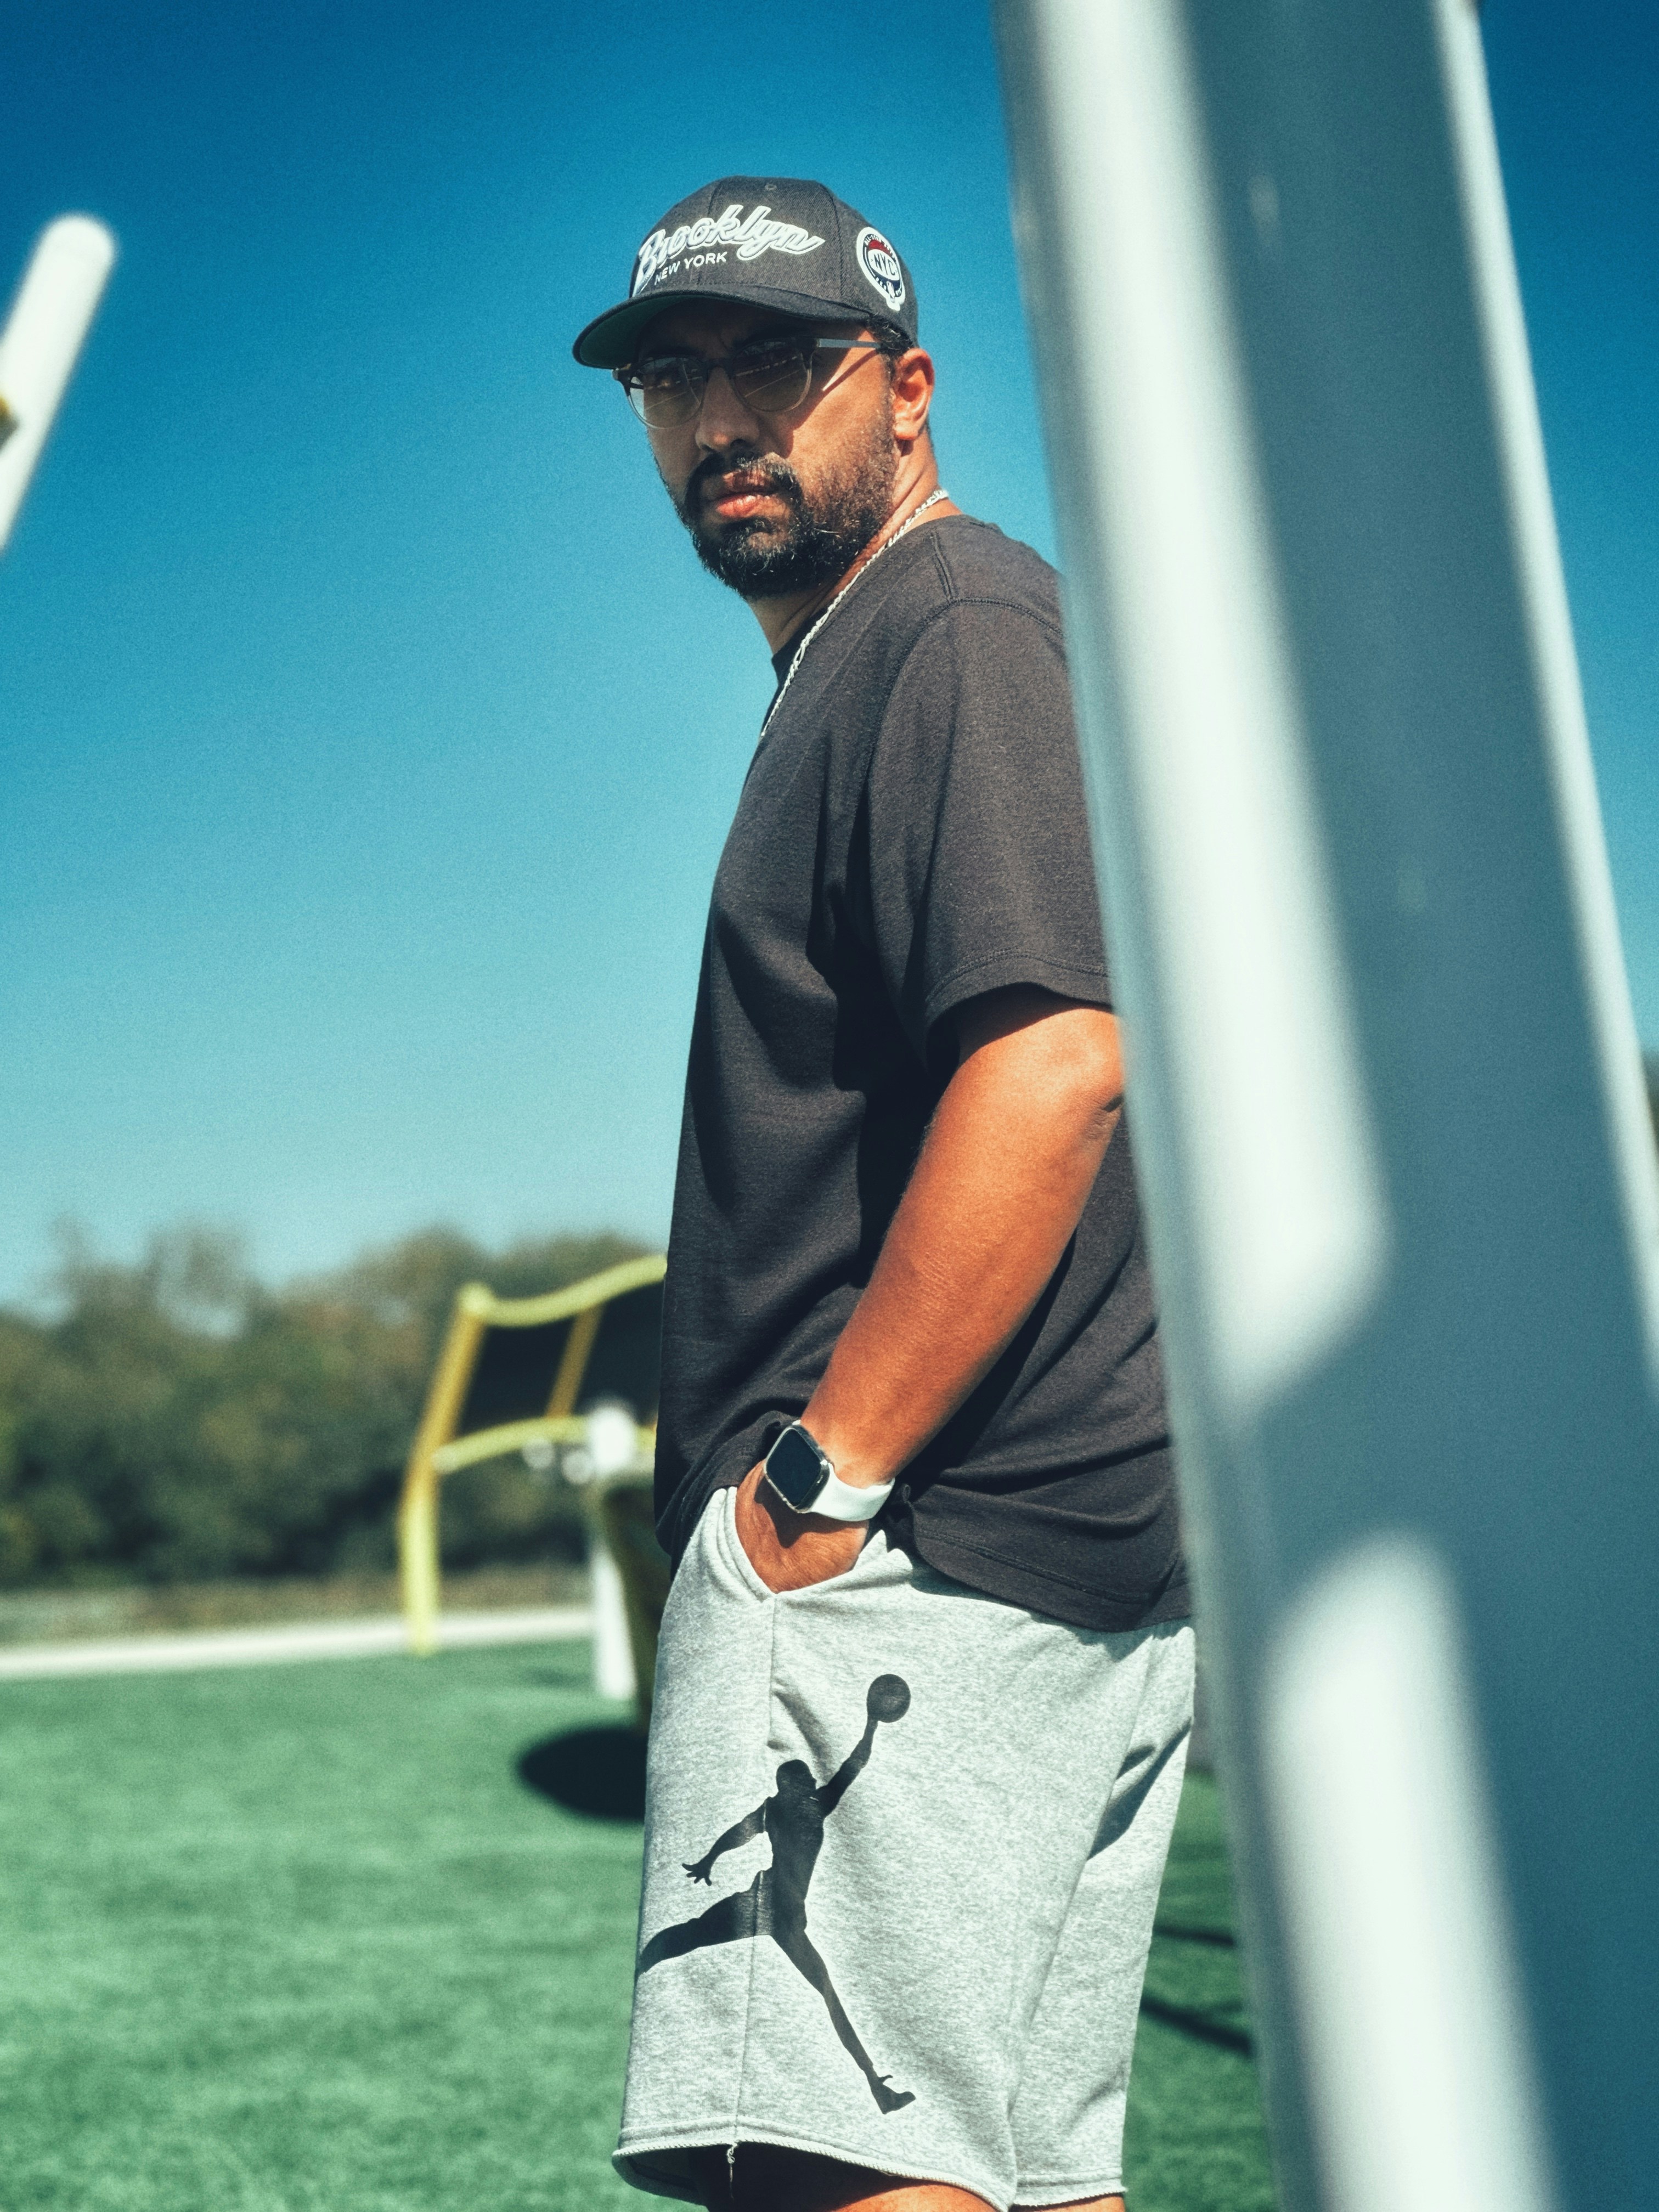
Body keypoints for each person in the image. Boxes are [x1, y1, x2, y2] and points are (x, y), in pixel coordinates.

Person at [573, 177, 1193, 2212]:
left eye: (780, 363)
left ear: (906, 395)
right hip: (1039, 1561)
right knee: (1018, 2176)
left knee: (840, 2173)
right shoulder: (882, 655)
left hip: (910, 1554)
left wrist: (812, 1496)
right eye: (675, 378)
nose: (721, 417)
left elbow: (1056, 1060)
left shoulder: (945, 623)